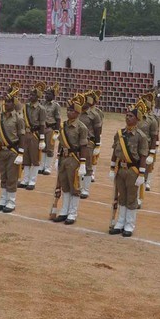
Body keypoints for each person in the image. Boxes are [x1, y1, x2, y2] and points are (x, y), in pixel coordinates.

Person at [108, 102, 150, 237]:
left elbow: (143, 156)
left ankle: (129, 224)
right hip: (120, 169)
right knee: (122, 196)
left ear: (137, 119)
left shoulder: (141, 136)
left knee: (131, 198)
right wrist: (112, 167)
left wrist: (142, 174)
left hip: (133, 170)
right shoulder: (119, 133)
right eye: (127, 115)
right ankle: (120, 222)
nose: (127, 118)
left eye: (131, 116)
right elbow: (115, 151)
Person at [53, 94, 92, 225]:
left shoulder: (81, 128)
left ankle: (72, 213)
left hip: (74, 159)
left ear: (77, 112)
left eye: (72, 110)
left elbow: (83, 147)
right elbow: (61, 143)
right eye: (68, 110)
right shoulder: (63, 125)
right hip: (63, 158)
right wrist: (57, 158)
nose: (69, 112)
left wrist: (82, 163)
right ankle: (64, 210)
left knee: (74, 187)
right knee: (65, 185)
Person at [0, 85, 25, 213]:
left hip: (13, 151)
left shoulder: (18, 118)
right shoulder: (0, 117)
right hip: (2, 150)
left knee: (12, 177)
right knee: (3, 176)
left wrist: (21, 153)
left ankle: (11, 201)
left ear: (14, 103)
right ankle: (3, 199)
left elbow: (22, 136)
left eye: (10, 102)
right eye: (6, 101)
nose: (7, 103)